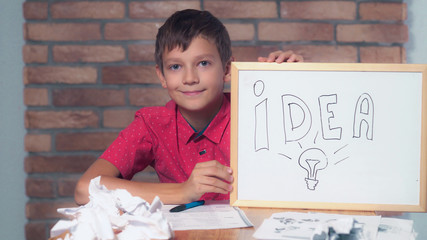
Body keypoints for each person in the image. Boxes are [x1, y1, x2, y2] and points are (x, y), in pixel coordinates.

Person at [74, 9, 303, 205]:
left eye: (203, 63)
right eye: (175, 67)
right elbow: (85, 189)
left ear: (226, 69)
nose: (190, 78)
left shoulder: (256, 108)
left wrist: (298, 84)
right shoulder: (152, 124)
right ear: (161, 75)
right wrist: (183, 191)